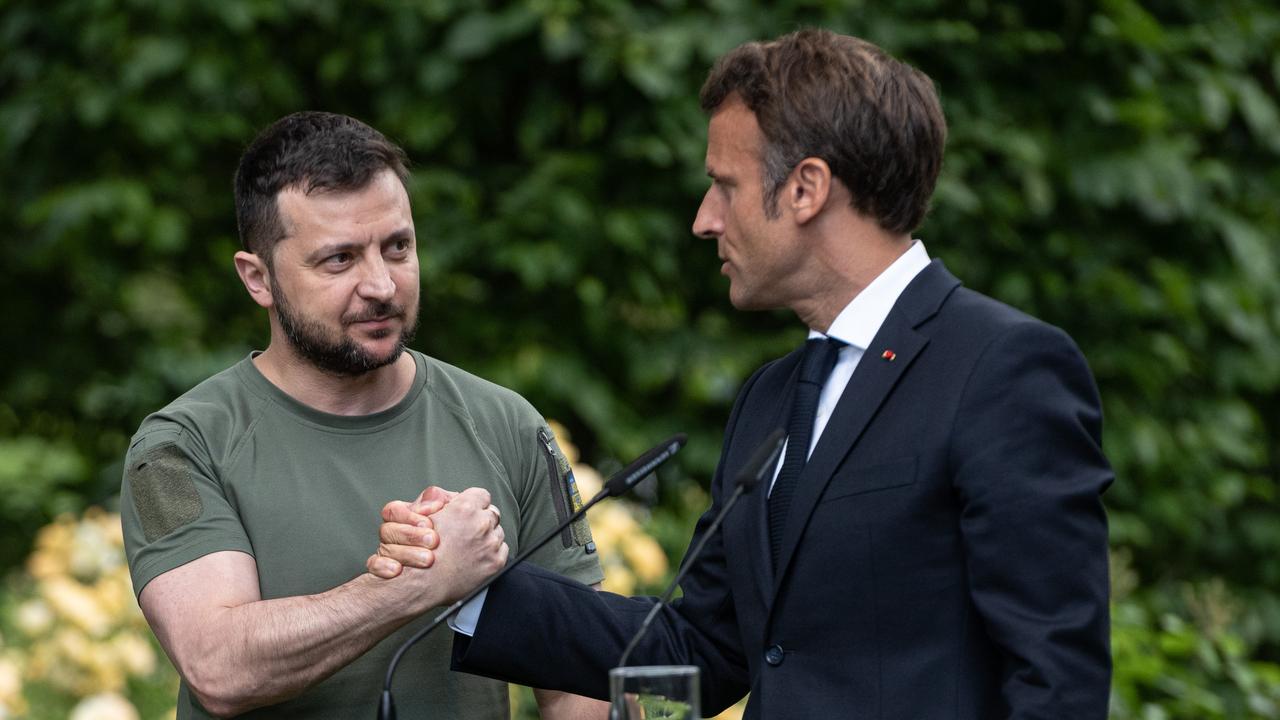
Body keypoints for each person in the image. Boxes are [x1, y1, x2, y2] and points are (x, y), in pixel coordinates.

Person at [371, 28, 1114, 719]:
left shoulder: (1003, 367)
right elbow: (703, 647)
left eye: (723, 184)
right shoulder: (771, 397)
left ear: (806, 189)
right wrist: (470, 589)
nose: (704, 218)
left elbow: (1055, 680)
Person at [119, 111, 607, 719]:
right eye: (339, 259)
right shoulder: (180, 447)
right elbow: (219, 667)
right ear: (258, 278)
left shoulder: (507, 425)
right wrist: (414, 582)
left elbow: (582, 680)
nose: (381, 285)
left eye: (397, 247)